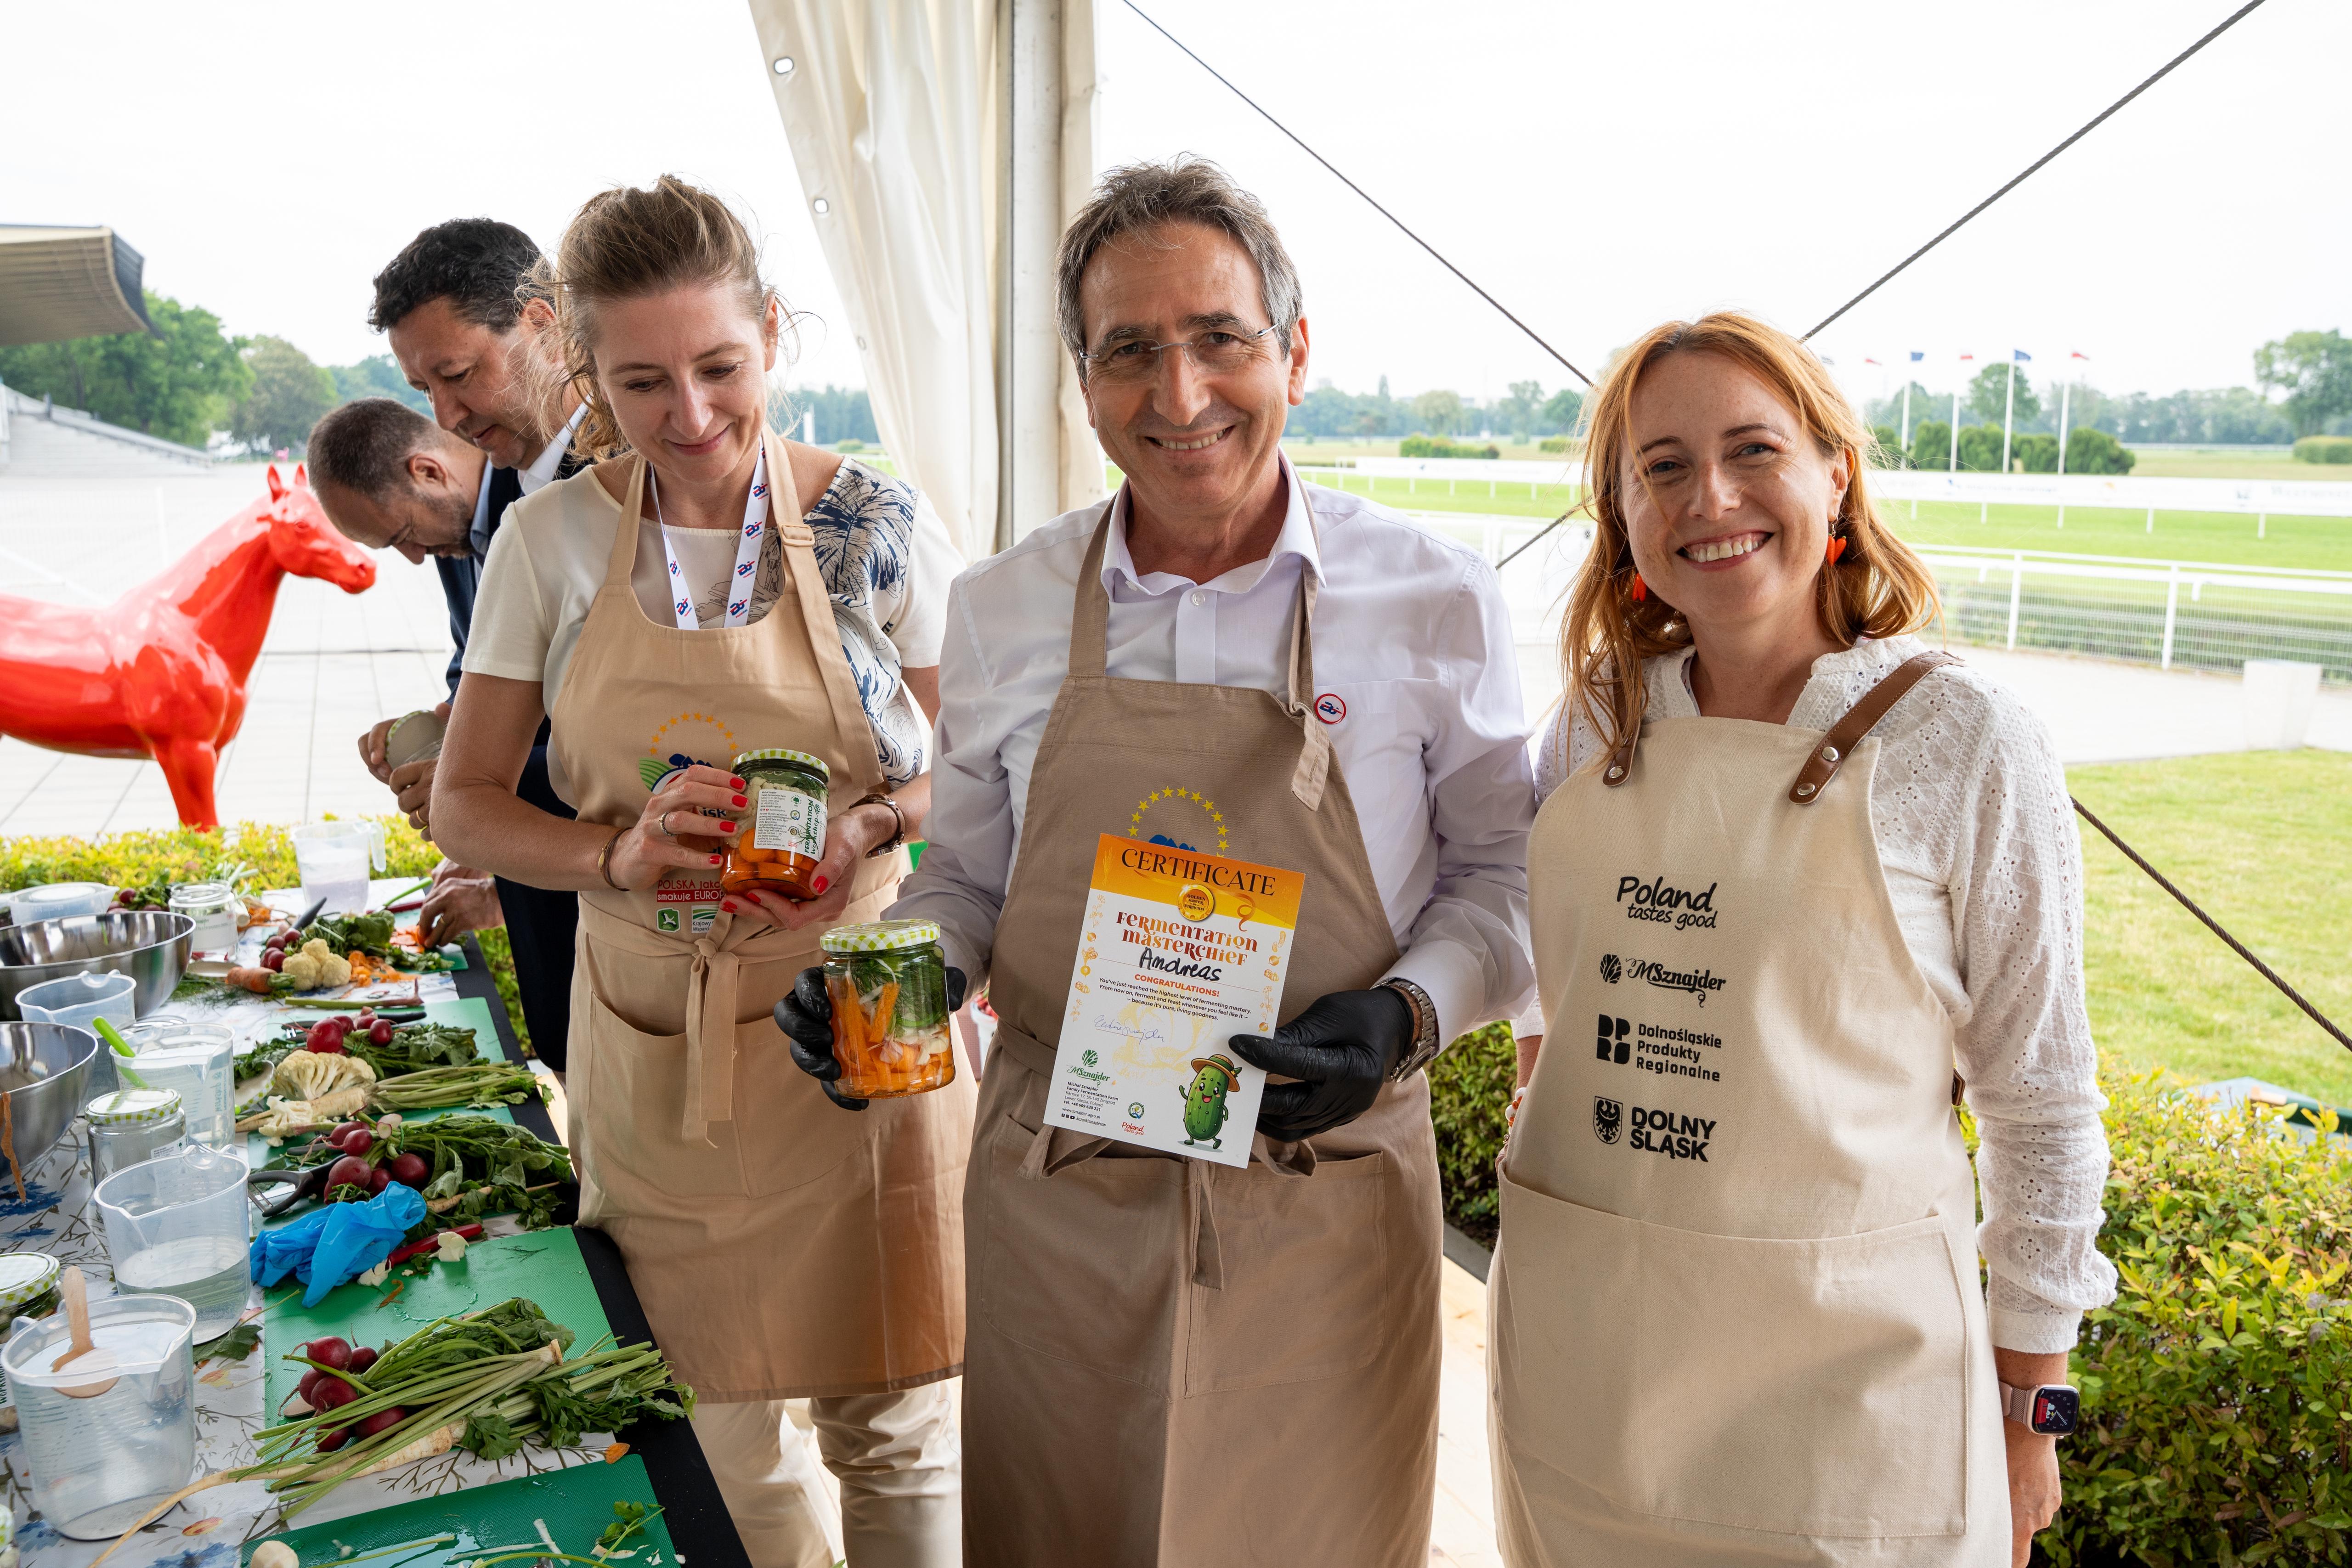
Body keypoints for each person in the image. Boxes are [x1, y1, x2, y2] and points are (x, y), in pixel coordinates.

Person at [778, 157, 1537, 1567]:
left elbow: (1506, 880)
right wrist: (900, 979)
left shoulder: (1431, 597)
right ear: (1084, 384)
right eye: (1129, 350)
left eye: (1218, 338)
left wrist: (1405, 1012)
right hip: (1064, 1192)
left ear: (1293, 352)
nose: (1178, 395)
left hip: (1324, 1191)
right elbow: (964, 882)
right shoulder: (1004, 606)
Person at [1490, 312, 2117, 1568]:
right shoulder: (1596, 721)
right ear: (1623, 513)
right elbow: (1548, 1002)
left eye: (1752, 449)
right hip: (1592, 1374)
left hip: (1855, 1404)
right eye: (1663, 466)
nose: (1710, 498)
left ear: (1836, 471)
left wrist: (2029, 1410)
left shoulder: (1965, 739)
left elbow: (2041, 1104)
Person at [430, 175, 970, 1568]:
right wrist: (608, 851)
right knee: (719, 1431)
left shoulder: (877, 524)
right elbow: (464, 803)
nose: (690, 416)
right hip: (653, 1027)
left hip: (863, 1011)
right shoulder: (549, 540)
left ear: (772, 333)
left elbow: (974, 768)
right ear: (583, 370)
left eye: (720, 367)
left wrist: (869, 826)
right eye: (642, 382)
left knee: (896, 1419)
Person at [362, 218, 593, 1067]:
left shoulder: (633, 483)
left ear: (542, 322)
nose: (445, 416)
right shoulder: (500, 497)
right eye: (424, 388)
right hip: (555, 923)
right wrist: (451, 742)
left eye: (458, 376)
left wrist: (478, 782)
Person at [307, 397, 508, 949]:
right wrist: (433, 731)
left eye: (403, 535)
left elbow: (578, 722)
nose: (417, 557)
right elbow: (474, 671)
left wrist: (501, 886)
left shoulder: (540, 505)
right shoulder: (456, 534)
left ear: (428, 471)